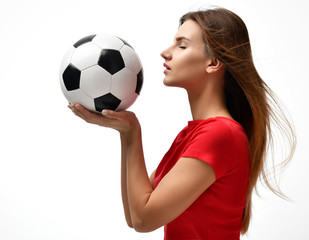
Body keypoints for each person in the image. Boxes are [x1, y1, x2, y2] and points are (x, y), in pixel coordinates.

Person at [68, 7, 296, 240]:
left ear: (213, 63)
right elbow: (133, 213)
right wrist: (125, 132)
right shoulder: (193, 134)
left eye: (182, 45)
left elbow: (143, 219)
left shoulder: (220, 134)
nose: (165, 52)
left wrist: (133, 132)